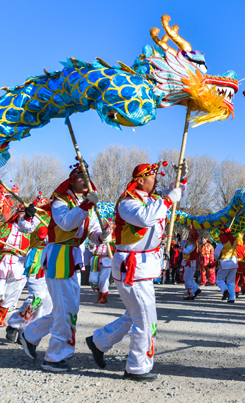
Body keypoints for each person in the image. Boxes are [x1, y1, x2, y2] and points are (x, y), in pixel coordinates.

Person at [86, 161, 182, 382]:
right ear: (140, 180)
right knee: (145, 319)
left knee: (135, 315)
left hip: (143, 266)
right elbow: (145, 218)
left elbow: (174, 193)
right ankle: (137, 367)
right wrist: (168, 199)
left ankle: (99, 342)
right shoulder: (127, 202)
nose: (156, 182)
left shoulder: (151, 199)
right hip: (132, 266)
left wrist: (180, 180)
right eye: (152, 178)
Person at [18, 163, 106, 372]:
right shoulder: (60, 201)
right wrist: (86, 206)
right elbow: (66, 223)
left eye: (87, 176)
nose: (85, 180)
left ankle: (30, 334)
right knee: (66, 309)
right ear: (72, 181)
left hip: (73, 256)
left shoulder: (87, 204)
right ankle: (54, 357)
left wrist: (102, 236)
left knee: (67, 308)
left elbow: (92, 231)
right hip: (59, 254)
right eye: (80, 177)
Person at [0, 205, 40, 327]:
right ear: (16, 215)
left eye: (26, 215)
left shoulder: (32, 231)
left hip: (20, 263)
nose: (23, 216)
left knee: (11, 293)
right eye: (21, 214)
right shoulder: (5, 228)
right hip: (3, 262)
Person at [89, 223, 115, 304]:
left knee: (104, 280)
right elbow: (92, 249)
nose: (109, 230)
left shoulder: (114, 240)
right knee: (93, 280)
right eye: (107, 229)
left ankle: (103, 296)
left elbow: (114, 252)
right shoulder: (98, 237)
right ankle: (99, 291)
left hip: (107, 262)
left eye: (111, 229)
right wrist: (92, 246)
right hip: (96, 260)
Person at [214, 227, 241, 303]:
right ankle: (232, 298)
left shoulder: (222, 240)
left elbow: (216, 253)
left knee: (219, 280)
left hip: (225, 262)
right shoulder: (234, 239)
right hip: (234, 262)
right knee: (231, 281)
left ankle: (225, 290)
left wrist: (216, 258)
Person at [181, 229, 202, 300]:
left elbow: (187, 251)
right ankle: (196, 289)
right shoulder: (189, 242)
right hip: (188, 263)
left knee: (188, 279)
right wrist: (180, 240)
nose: (188, 234)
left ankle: (190, 294)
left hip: (190, 263)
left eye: (190, 234)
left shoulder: (193, 244)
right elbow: (184, 246)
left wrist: (180, 249)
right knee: (186, 278)